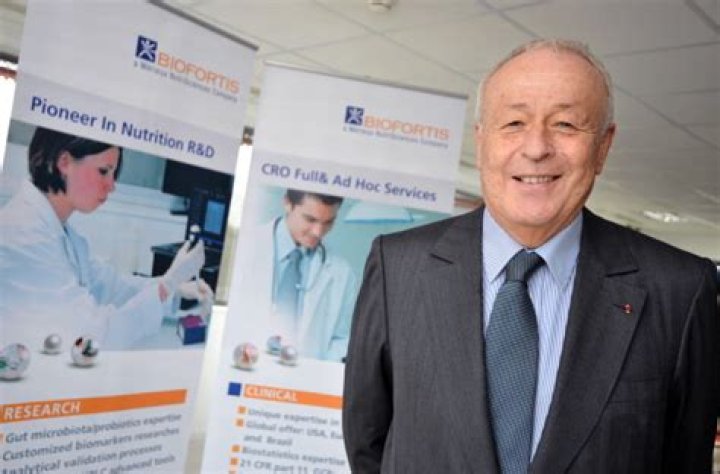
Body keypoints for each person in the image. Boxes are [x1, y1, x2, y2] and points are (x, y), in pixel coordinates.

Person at [343, 39, 717, 473]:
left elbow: (684, 459)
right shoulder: (398, 268)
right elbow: (367, 444)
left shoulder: (679, 290)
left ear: (603, 146)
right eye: (514, 122)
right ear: (481, 140)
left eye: (565, 124)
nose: (536, 147)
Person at [0, 127, 211, 350]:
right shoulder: (24, 234)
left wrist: (174, 288)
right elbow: (92, 337)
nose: (111, 186)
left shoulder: (63, 234)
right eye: (103, 171)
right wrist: (166, 287)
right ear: (64, 163)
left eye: (113, 174)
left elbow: (111, 286)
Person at [234, 189, 357, 361]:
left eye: (328, 222)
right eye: (310, 219)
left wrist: (316, 371)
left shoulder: (342, 274)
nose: (318, 232)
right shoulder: (243, 245)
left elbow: (342, 339)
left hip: (306, 373)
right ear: (287, 203)